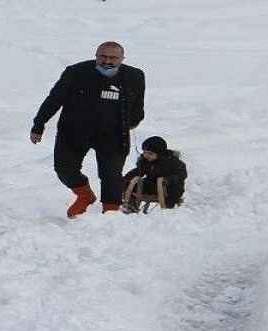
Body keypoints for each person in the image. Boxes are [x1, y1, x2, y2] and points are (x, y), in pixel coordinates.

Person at [30, 41, 146, 217]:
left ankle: (110, 212)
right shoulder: (75, 73)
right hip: (74, 131)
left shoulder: (134, 76)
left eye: (113, 58)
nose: (107, 61)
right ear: (96, 56)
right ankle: (84, 195)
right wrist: (39, 124)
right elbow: (54, 100)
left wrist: (133, 121)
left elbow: (137, 105)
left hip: (113, 134)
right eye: (103, 56)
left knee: (111, 175)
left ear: (122, 59)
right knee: (64, 169)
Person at [122, 136, 187, 211]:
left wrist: (170, 179)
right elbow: (138, 171)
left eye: (150, 153)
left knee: (167, 185)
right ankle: (131, 206)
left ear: (159, 153)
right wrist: (125, 178)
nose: (146, 155)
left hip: (169, 188)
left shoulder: (172, 162)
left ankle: (168, 209)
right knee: (131, 183)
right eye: (144, 152)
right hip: (153, 186)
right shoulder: (145, 161)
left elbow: (182, 174)